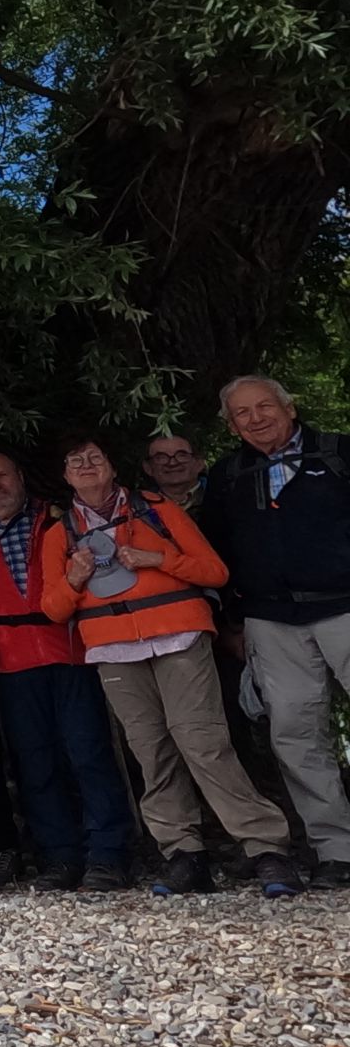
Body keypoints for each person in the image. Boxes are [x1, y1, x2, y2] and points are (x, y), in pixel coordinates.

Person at [41, 433, 302, 897]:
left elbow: (214, 572)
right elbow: (54, 610)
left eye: (95, 457)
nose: (86, 465)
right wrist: (74, 578)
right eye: (75, 461)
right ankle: (183, 853)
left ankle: (266, 848)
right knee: (151, 750)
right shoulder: (57, 535)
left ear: (112, 467)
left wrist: (156, 558)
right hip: (114, 648)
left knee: (203, 741)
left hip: (178, 635)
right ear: (65, 476)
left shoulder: (157, 509)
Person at [0, 451, 134, 891]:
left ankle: (108, 853)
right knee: (34, 763)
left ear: (20, 475)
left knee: (89, 753)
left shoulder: (61, 520)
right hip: (9, 661)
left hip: (69, 650)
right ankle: (59, 856)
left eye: (1, 475)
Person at [202, 375, 350, 887]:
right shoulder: (228, 476)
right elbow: (216, 555)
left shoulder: (338, 454)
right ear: (231, 425)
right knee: (295, 736)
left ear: (289, 407)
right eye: (242, 413)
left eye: (265, 405)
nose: (256, 418)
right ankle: (337, 850)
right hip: (271, 621)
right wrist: (230, 622)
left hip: (345, 609)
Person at [145, 436, 207, 511]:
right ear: (148, 468)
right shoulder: (136, 508)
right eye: (161, 457)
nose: (172, 463)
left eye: (182, 455)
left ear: (199, 463)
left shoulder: (220, 498)